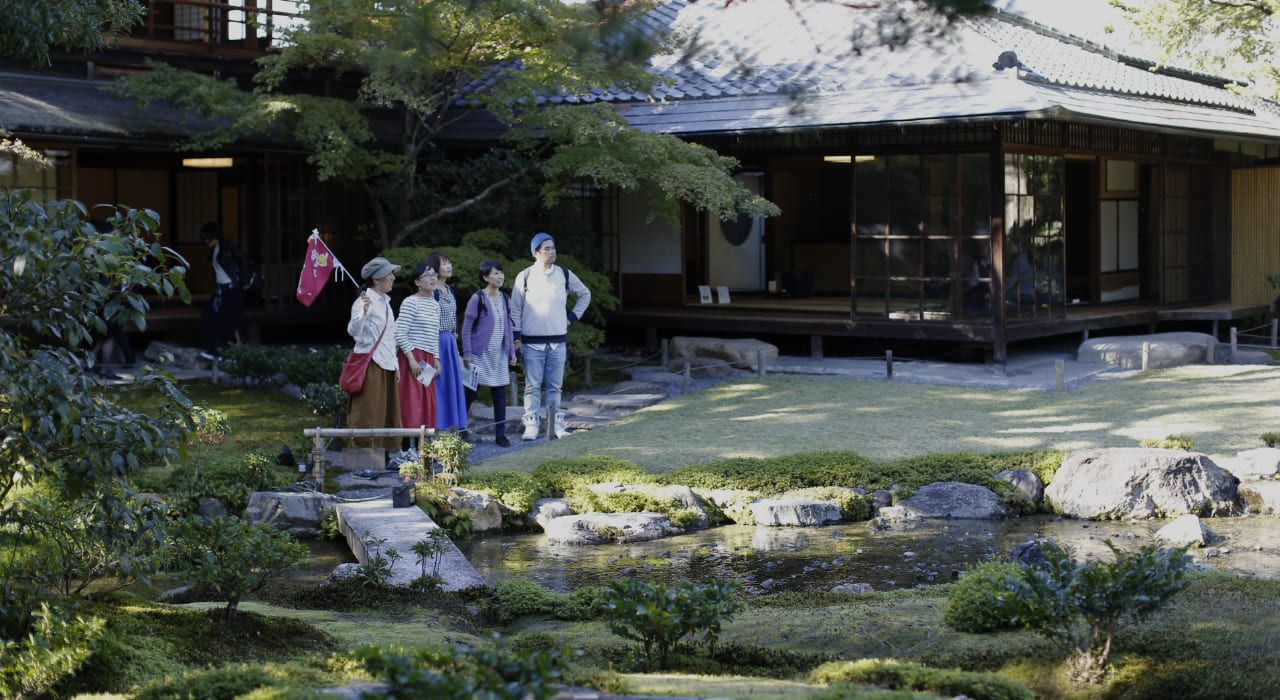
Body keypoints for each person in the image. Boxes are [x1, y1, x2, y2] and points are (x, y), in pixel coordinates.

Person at [510, 232, 591, 440]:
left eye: (553, 248)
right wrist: (516, 337)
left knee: (555, 386)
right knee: (532, 386)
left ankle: (555, 424)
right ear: (535, 253)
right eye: (546, 248)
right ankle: (532, 424)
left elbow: (585, 294)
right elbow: (515, 309)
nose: (551, 252)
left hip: (558, 341)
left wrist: (571, 317)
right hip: (531, 341)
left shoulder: (564, 274)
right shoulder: (525, 276)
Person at [347, 256, 402, 462]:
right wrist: (363, 312)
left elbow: (390, 336)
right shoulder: (363, 302)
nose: (393, 277)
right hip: (370, 365)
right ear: (377, 279)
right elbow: (354, 333)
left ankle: (385, 458)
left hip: (387, 364)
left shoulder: (386, 303)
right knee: (368, 413)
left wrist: (395, 365)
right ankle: (363, 462)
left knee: (387, 413)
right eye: (389, 274)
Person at [461, 260, 517, 447]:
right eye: (495, 273)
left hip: (499, 354)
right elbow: (467, 327)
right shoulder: (478, 298)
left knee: (500, 394)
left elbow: (508, 326)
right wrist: (467, 352)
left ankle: (500, 434)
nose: (499, 276)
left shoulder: (506, 299)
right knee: (470, 392)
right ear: (486, 277)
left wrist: (511, 351)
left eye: (501, 273)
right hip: (479, 353)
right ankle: (460, 429)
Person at [395, 263, 442, 437]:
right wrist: (411, 359)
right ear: (417, 282)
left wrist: (436, 358)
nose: (432, 278)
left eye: (434, 275)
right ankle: (408, 448)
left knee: (426, 403)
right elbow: (400, 332)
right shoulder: (410, 302)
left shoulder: (435, 304)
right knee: (411, 403)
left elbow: (434, 334)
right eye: (427, 275)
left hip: (428, 359)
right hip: (412, 358)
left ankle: (423, 448)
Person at [426, 251, 469, 432]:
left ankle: (451, 427)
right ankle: (436, 426)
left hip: (450, 341)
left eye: (449, 263)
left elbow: (453, 320)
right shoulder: (431, 291)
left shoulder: (449, 290)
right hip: (436, 341)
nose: (448, 266)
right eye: (444, 263)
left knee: (451, 383)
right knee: (439, 385)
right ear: (434, 267)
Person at [198, 222, 248, 352]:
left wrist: (241, 281)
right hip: (222, 290)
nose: (204, 240)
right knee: (211, 317)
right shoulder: (215, 250)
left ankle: (233, 349)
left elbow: (241, 262)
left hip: (231, 289)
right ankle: (218, 348)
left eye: (205, 236)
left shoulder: (226, 248)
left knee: (231, 320)